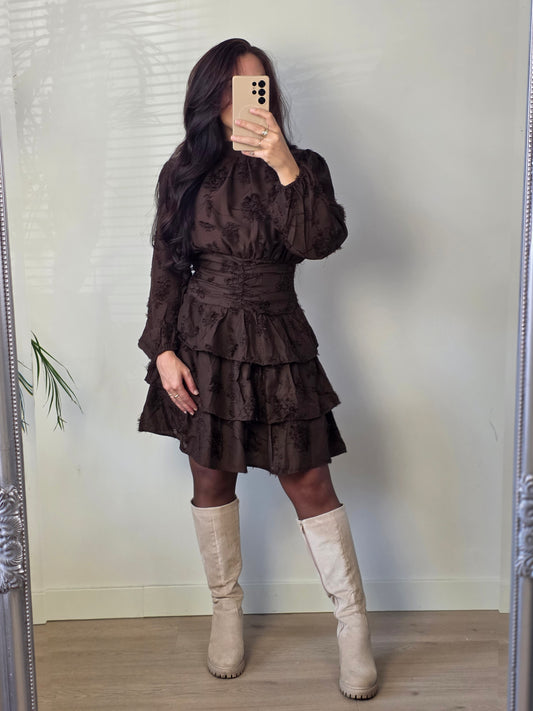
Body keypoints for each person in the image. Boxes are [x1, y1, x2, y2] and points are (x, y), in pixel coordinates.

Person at [137, 38, 378, 701]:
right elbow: (167, 262)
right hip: (201, 341)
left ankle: (353, 625)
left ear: (268, 94)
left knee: (308, 480)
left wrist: (282, 163)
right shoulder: (184, 170)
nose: (243, 98)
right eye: (231, 86)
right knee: (210, 476)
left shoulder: (303, 165)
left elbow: (319, 241)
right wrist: (162, 350)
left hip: (277, 337)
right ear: (210, 94)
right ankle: (226, 610)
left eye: (256, 85)